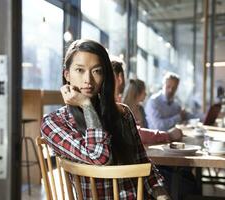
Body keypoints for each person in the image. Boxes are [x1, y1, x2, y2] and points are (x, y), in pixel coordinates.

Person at [41, 39, 170, 200]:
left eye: (97, 71)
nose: (88, 80)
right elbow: (100, 158)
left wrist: (161, 193)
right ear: (67, 74)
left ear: (105, 75)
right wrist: (87, 106)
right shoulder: (54, 122)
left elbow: (142, 162)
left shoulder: (122, 113)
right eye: (80, 70)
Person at [112, 60, 182, 144]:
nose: (146, 94)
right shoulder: (123, 108)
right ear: (119, 78)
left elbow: (142, 131)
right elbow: (136, 134)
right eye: (144, 92)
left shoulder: (140, 108)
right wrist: (168, 135)